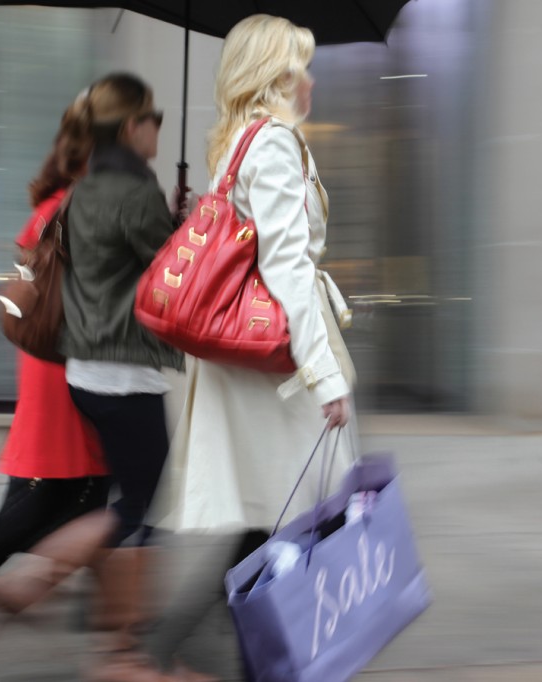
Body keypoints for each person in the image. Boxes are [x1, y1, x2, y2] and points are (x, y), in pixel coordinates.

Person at [117, 15, 357, 680]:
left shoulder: (237, 143)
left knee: (272, 515)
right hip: (276, 361)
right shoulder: (274, 144)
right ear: (275, 77)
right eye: (299, 67)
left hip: (251, 361)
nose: (309, 80)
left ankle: (194, 648)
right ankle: (203, 648)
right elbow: (286, 267)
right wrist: (324, 375)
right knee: (304, 509)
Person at [0, 91, 112, 609]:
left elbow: (29, 275)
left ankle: (86, 583)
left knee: (55, 475)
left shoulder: (52, 203)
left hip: (44, 354)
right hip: (70, 359)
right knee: (78, 483)